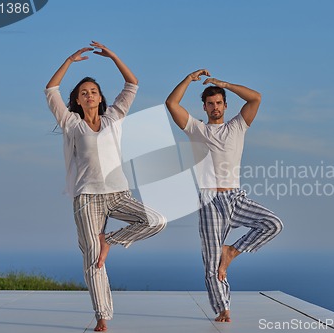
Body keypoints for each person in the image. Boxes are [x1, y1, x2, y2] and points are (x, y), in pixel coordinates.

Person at [45, 41, 167, 331]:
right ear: (77, 99)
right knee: (92, 259)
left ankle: (109, 241)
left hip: (119, 193)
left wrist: (112, 56)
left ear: (101, 98)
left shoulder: (114, 117)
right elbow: (51, 90)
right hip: (87, 198)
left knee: (156, 220)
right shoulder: (71, 123)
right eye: (84, 93)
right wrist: (69, 60)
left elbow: (132, 83)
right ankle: (102, 317)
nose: (89, 95)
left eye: (94, 92)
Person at [166, 69, 283, 322]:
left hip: (235, 197)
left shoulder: (237, 126)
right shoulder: (196, 129)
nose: (215, 107)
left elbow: (256, 98)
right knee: (210, 261)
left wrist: (224, 84)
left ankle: (231, 251)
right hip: (209, 200)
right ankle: (223, 309)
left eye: (219, 103)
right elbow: (171, 103)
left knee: (273, 224)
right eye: (210, 104)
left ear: (225, 106)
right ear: (204, 108)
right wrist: (188, 79)